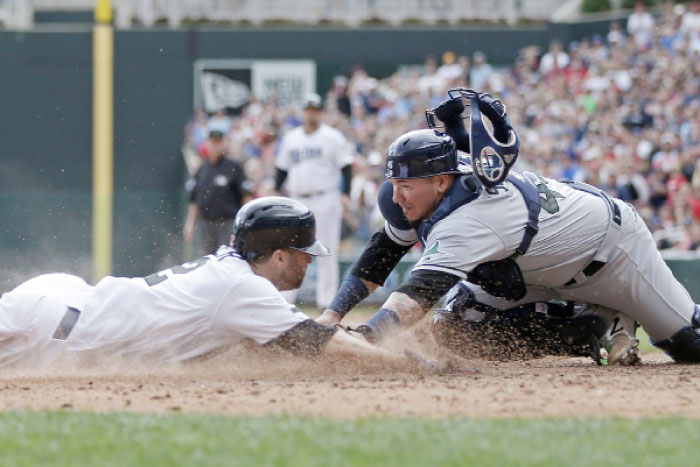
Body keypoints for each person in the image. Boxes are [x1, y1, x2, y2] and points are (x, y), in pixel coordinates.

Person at [318, 92, 700, 366]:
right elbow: (380, 257)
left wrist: (367, 338)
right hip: (543, 266)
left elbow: (416, 294)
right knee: (457, 328)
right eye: (395, 183)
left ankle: (620, 309)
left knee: (688, 346)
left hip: (613, 255)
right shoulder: (426, 189)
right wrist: (330, 319)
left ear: (441, 182)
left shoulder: (473, 215)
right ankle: (594, 325)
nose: (397, 195)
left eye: (407, 184)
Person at [0, 197, 412, 368]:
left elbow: (286, 342)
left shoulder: (231, 272)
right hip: (57, 327)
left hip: (63, 301)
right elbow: (319, 343)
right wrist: (404, 364)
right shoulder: (243, 289)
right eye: (306, 253)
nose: (309, 261)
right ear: (280, 255)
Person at [274, 93, 354, 311]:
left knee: (327, 250)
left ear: (321, 112)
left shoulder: (332, 137)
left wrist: (345, 193)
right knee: (292, 250)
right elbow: (281, 169)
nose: (311, 113)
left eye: (315, 110)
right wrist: (274, 191)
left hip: (325, 197)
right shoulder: (291, 137)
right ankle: (286, 302)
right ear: (303, 112)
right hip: (297, 200)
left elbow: (346, 167)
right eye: (308, 109)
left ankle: (327, 302)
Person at [184, 129, 252, 255]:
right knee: (208, 259)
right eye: (212, 142)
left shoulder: (233, 167)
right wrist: (189, 224)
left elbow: (246, 196)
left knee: (226, 257)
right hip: (205, 223)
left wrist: (244, 224)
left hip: (227, 222)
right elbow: (194, 200)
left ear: (224, 144)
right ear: (207, 144)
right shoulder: (201, 169)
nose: (215, 145)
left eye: (218, 142)